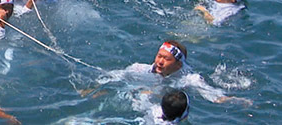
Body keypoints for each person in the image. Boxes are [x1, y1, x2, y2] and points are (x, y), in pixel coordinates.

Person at [95, 40, 251, 105]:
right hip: (137, 98)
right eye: (159, 56)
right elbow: (113, 76)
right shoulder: (138, 69)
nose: (160, 61)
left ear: (178, 66)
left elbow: (215, 97)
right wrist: (93, 88)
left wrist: (238, 101)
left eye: (166, 59)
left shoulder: (190, 79)